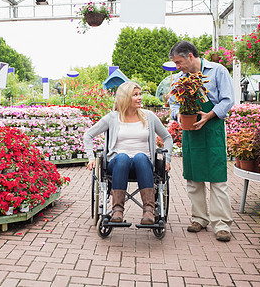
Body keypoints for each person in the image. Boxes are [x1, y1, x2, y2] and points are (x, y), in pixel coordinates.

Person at [168, 40, 235, 242]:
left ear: (190, 56)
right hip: (191, 131)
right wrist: (177, 115)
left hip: (212, 128)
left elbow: (228, 99)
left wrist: (210, 114)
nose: (177, 67)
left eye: (179, 62)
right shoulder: (179, 79)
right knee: (194, 178)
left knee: (217, 178)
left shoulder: (218, 71)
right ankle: (199, 218)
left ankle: (222, 224)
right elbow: (173, 102)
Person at [84, 82, 173, 225]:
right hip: (118, 164)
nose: (140, 98)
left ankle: (148, 211)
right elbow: (88, 135)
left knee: (140, 157)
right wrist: (90, 158)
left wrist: (167, 160)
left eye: (140, 94)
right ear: (125, 98)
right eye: (135, 95)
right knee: (122, 157)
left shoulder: (149, 116)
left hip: (143, 164)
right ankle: (117, 210)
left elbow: (167, 137)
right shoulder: (112, 117)